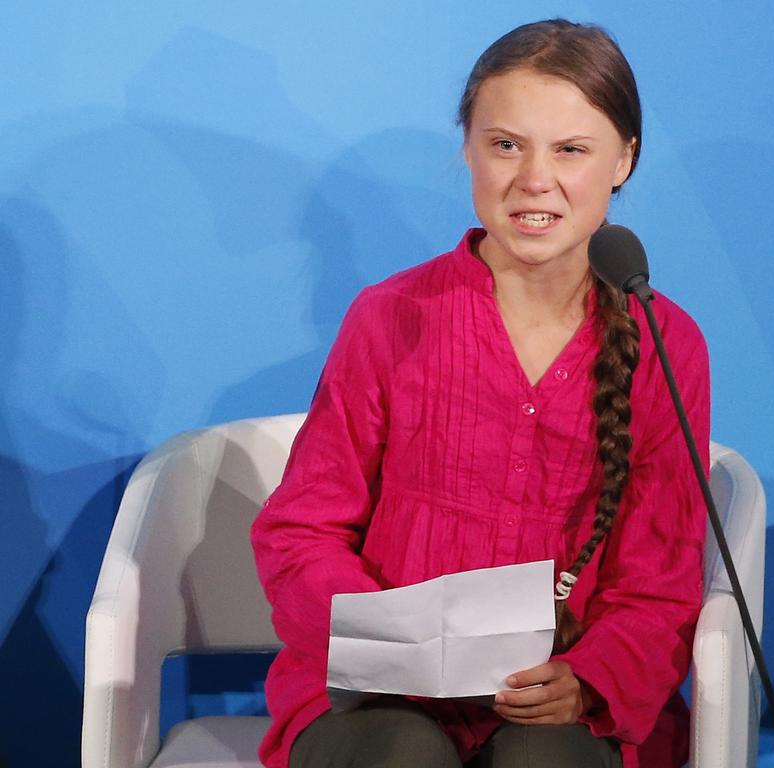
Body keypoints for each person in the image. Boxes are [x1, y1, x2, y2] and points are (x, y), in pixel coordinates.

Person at [251, 18, 710, 768]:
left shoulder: (668, 344)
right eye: (506, 145)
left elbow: (658, 580)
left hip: (560, 707)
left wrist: (588, 680)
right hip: (381, 698)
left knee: (543, 761)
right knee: (401, 752)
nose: (534, 179)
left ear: (624, 158)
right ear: (467, 150)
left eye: (570, 149)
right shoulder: (390, 315)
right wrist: (383, 641)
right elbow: (301, 530)